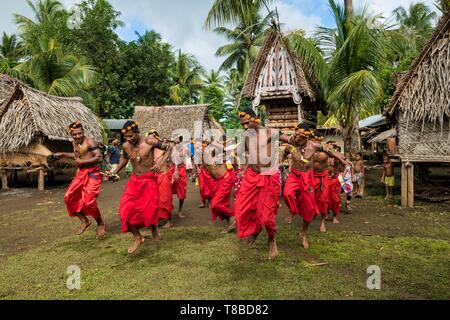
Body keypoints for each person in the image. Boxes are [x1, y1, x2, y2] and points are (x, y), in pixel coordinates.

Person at [234, 108, 306, 260]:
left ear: (256, 119)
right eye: (242, 125)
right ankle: (255, 231)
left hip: (269, 177)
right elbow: (244, 154)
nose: (245, 127)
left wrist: (297, 139)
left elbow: (290, 140)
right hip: (251, 177)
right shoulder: (247, 135)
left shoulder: (270, 133)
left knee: (267, 217)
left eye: (247, 123)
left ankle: (271, 239)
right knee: (241, 209)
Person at [108, 121, 171, 254]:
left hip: (149, 181)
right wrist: (114, 171)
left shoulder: (149, 141)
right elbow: (124, 159)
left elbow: (169, 148)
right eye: (126, 137)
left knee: (150, 210)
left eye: (131, 136)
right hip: (134, 182)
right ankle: (137, 236)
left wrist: (160, 161)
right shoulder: (126, 146)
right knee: (124, 210)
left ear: (138, 132)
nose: (129, 139)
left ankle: (154, 228)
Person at [283, 127, 348, 249]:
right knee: (287, 194)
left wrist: (340, 159)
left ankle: (304, 233)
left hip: (312, 178)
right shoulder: (292, 142)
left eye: (298, 135)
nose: (295, 136)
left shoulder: (315, 147)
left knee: (311, 206)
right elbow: (280, 140)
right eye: (295, 134)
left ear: (306, 137)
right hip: (296, 175)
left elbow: (330, 152)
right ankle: (293, 211)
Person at [55, 121, 106, 239]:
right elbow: (77, 156)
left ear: (83, 131)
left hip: (93, 173)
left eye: (80, 133)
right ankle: (84, 220)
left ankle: (100, 223)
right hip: (81, 173)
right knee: (68, 197)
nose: (78, 136)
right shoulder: (74, 143)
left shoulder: (90, 141)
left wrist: (83, 162)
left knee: (89, 202)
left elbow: (99, 157)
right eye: (75, 134)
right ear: (71, 135)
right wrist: (62, 154)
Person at [202, 140, 236, 232]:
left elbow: (221, 147)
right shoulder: (204, 152)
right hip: (218, 182)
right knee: (220, 205)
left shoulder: (213, 150)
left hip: (225, 180)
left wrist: (212, 142)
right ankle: (231, 223)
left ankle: (233, 216)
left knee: (215, 204)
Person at [148, 130, 174, 230]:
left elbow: (171, 153)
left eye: (154, 136)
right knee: (154, 199)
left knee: (165, 199)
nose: (152, 138)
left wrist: (175, 170)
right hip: (153, 177)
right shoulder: (149, 149)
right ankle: (157, 219)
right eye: (150, 136)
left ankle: (169, 221)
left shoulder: (163, 147)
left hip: (163, 175)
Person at [169, 136, 188, 218]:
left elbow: (180, 157)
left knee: (182, 191)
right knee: (168, 189)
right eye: (174, 138)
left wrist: (176, 170)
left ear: (180, 139)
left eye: (177, 138)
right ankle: (169, 210)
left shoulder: (184, 147)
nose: (175, 139)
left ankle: (180, 210)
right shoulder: (171, 146)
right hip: (171, 168)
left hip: (181, 169)